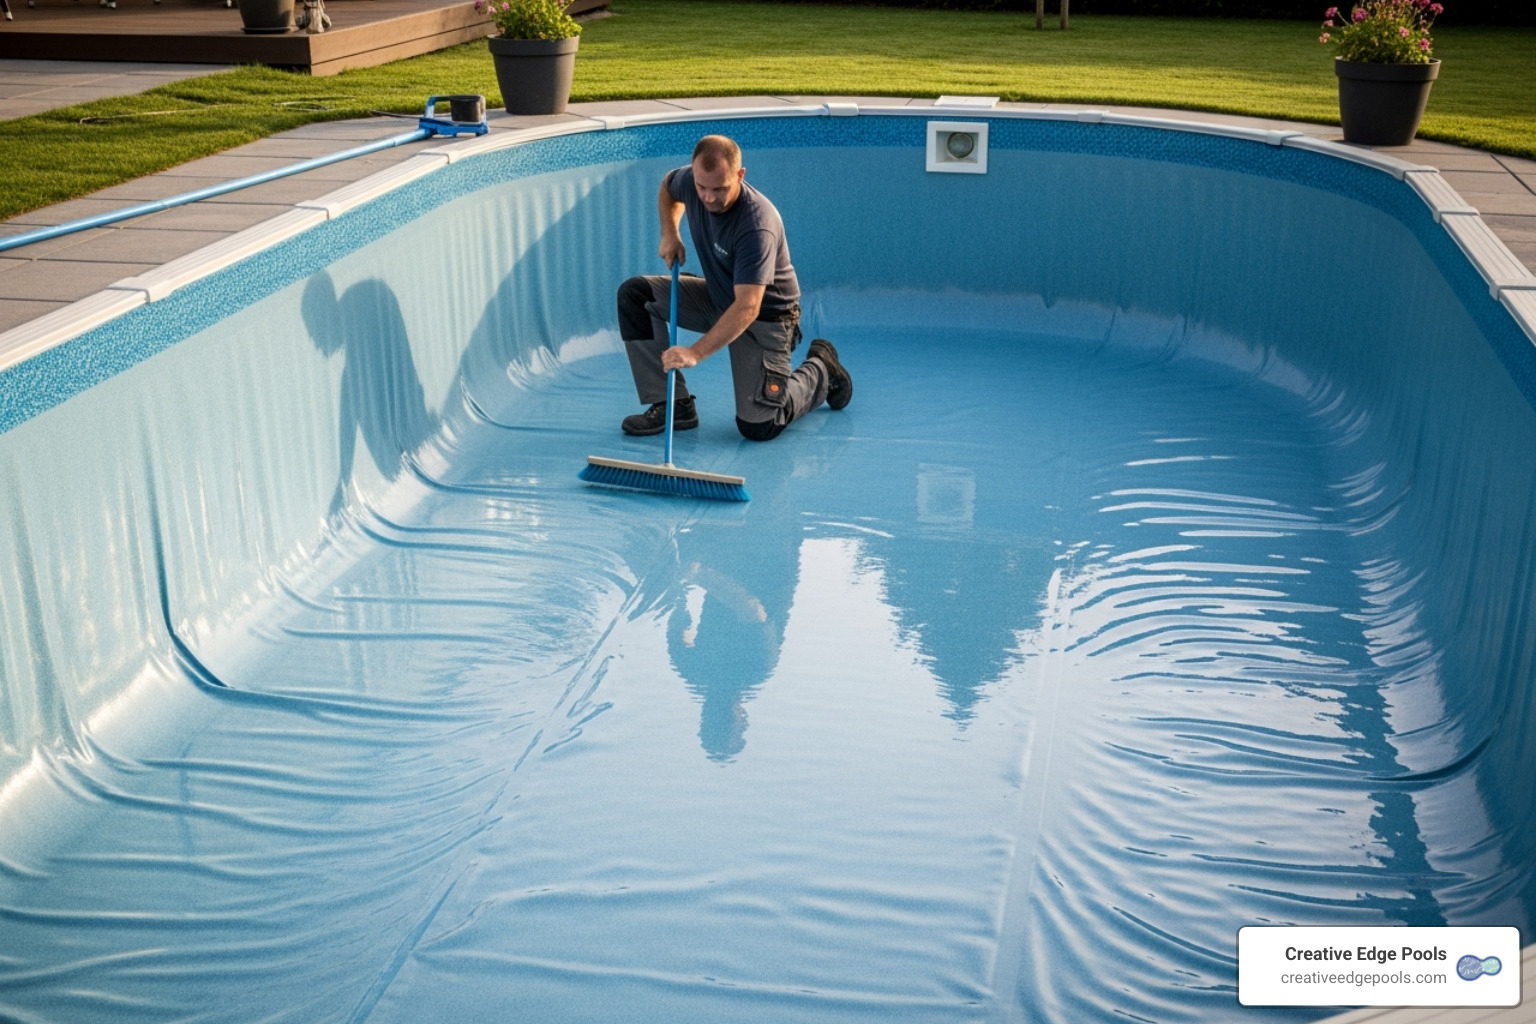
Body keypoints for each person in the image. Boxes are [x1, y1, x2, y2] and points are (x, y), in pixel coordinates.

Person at [615, 134, 852, 441]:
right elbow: (668, 186)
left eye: (720, 189)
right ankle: (673, 405)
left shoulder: (757, 225)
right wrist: (670, 233)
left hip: (766, 318)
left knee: (760, 425)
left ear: (740, 175)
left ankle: (822, 370)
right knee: (635, 295)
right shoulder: (691, 181)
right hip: (718, 297)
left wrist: (695, 353)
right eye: (702, 188)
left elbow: (748, 307)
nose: (709, 197)